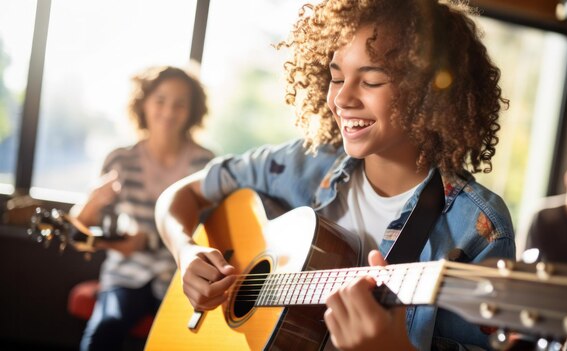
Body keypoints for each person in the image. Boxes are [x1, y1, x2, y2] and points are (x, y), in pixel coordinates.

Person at [155, 1, 515, 350]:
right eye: (336, 76)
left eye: (371, 80)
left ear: (430, 94)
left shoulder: (477, 227)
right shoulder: (306, 163)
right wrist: (187, 253)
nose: (341, 99)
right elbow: (180, 196)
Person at [72, 65, 215, 351]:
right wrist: (92, 204)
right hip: (125, 276)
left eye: (179, 104)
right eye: (160, 100)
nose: (168, 111)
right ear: (144, 104)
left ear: (192, 111)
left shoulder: (207, 164)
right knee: (105, 328)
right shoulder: (120, 161)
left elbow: (215, 228)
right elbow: (80, 227)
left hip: (181, 279)